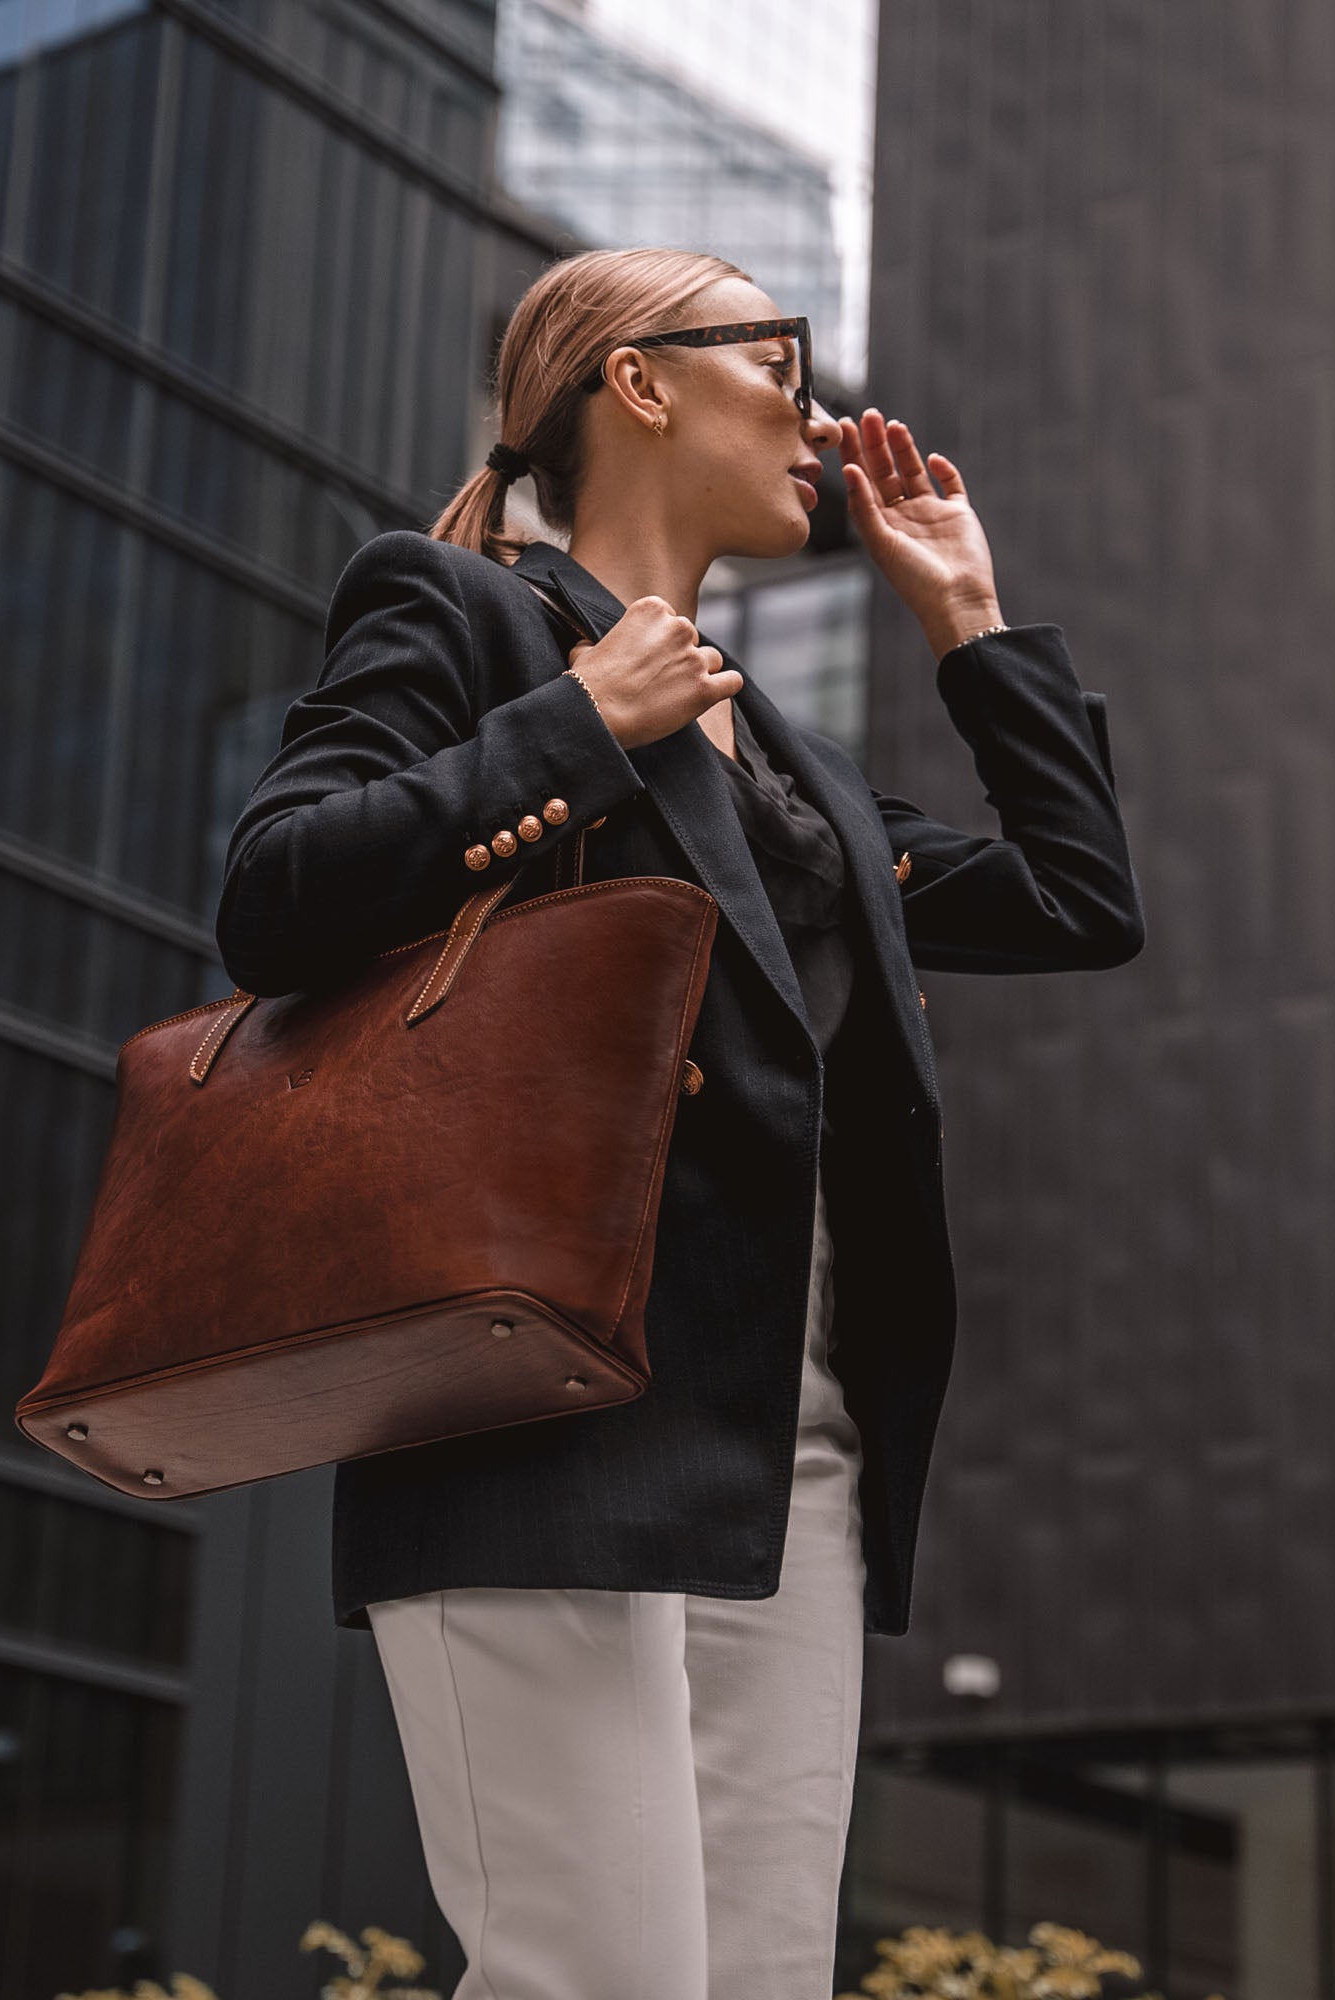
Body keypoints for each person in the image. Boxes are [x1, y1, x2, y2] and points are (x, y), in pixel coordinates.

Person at [214, 246, 1144, 2000]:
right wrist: (579, 724)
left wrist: (969, 624)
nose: (819, 411)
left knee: (757, 1982)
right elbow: (274, 896)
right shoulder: (460, 612)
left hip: (788, 1460)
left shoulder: (780, 756)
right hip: (539, 1415)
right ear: (637, 381)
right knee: (599, 1977)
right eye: (777, 365)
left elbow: (1074, 902)